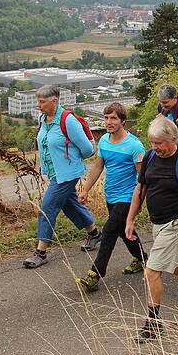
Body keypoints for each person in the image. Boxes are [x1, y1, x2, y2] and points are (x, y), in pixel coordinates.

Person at [124, 117, 178, 339]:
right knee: (172, 263)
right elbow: (140, 189)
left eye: (159, 143)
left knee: (152, 270)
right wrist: (130, 220)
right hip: (158, 222)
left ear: (173, 139)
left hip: (176, 222)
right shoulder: (151, 156)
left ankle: (153, 323)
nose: (155, 147)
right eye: (152, 143)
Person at [23, 85, 100, 269]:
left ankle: (40, 252)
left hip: (68, 173)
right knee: (69, 203)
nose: (38, 105)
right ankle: (95, 233)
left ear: (54, 101)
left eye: (42, 101)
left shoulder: (68, 120)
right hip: (55, 172)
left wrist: (72, 161)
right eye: (38, 101)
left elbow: (88, 149)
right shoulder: (43, 119)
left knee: (47, 208)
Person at [75, 103, 146, 291]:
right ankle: (141, 259)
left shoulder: (134, 145)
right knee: (124, 230)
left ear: (122, 121)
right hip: (111, 195)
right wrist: (85, 190)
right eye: (106, 118)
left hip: (128, 197)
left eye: (113, 118)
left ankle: (94, 275)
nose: (108, 122)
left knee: (108, 233)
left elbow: (143, 177)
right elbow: (98, 167)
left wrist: (141, 201)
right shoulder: (104, 141)